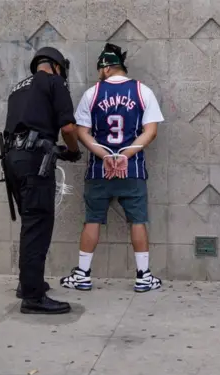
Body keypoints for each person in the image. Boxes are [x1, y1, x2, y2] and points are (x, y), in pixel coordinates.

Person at [60, 43, 164, 293]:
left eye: (99, 69)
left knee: (92, 220)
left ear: (106, 68)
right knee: (137, 221)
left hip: (99, 169)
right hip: (133, 169)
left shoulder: (92, 94)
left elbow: (81, 131)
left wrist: (105, 155)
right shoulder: (143, 91)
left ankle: (83, 274)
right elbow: (150, 131)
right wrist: (125, 155)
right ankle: (143, 275)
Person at [4, 46, 82, 314]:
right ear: (58, 67)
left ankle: (27, 284)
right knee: (38, 224)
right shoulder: (54, 82)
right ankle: (33, 298)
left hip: (12, 160)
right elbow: (68, 128)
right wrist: (72, 151)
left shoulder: (18, 88)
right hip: (35, 160)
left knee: (30, 223)